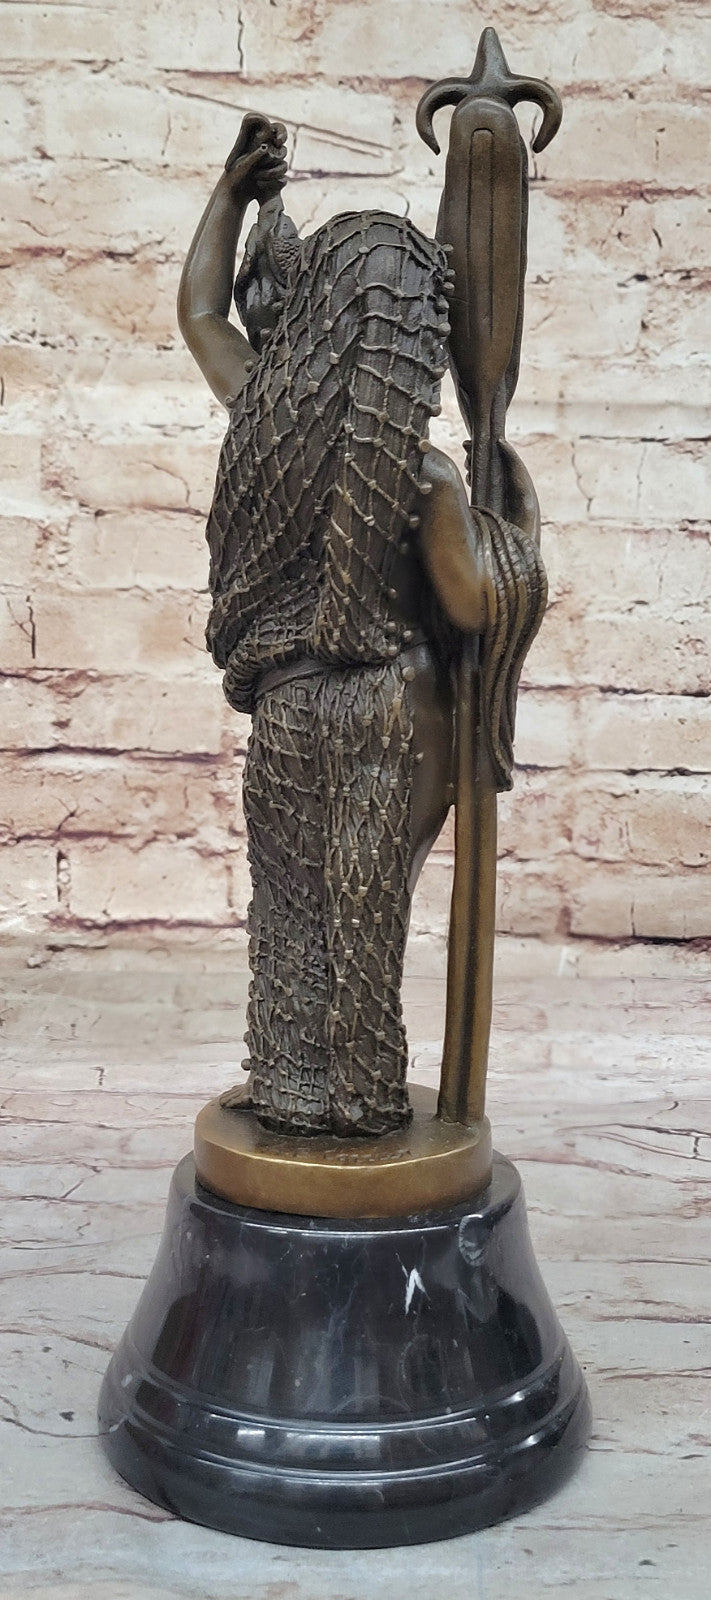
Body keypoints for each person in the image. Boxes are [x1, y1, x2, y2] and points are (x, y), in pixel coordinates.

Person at [178, 114, 496, 1136]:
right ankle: (360, 1097)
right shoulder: (424, 473)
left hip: (285, 706)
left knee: (290, 906)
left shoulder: (261, 416)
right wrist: (510, 532)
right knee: (365, 911)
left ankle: (292, 1083)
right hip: (387, 711)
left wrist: (230, 196)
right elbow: (472, 602)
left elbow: (200, 314)